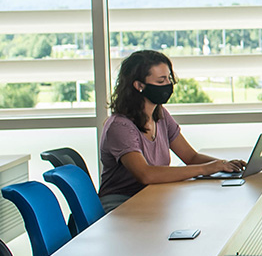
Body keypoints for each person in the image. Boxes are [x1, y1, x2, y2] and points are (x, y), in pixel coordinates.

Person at [97, 50, 245, 212]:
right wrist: (207, 168)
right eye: (161, 81)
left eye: (169, 79)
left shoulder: (160, 115)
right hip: (120, 204)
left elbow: (191, 157)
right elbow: (145, 174)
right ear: (139, 85)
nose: (168, 85)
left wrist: (224, 165)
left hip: (151, 196)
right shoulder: (120, 126)